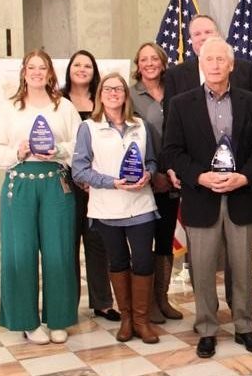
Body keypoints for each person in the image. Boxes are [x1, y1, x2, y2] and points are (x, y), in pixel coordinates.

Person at [163, 37, 252, 358]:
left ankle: (244, 326)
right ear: (200, 64)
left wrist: (244, 176)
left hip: (242, 196)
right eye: (208, 60)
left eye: (220, 60)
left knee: (241, 267)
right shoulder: (182, 103)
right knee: (204, 268)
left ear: (231, 65)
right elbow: (172, 151)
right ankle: (207, 328)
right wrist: (198, 176)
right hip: (201, 197)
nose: (214, 65)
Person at [0, 49, 81, 344]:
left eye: (43, 68)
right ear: (24, 73)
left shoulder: (63, 107)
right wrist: (17, 151)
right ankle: (26, 320)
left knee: (60, 250)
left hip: (55, 183)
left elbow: (80, 144)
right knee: (21, 252)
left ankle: (60, 318)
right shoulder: (9, 109)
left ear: (51, 73)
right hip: (20, 184)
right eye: (32, 68)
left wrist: (60, 150)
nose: (37, 72)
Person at [72, 72, 160, 344]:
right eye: (107, 89)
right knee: (119, 261)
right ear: (100, 95)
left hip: (141, 205)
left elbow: (152, 161)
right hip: (106, 209)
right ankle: (126, 319)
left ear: (126, 95)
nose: (113, 93)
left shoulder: (141, 126)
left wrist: (148, 174)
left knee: (144, 260)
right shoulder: (89, 128)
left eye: (118, 89)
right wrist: (112, 183)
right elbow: (79, 170)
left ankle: (142, 321)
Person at [62, 50, 120, 323]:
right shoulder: (57, 100)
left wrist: (94, 178)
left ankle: (102, 301)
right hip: (65, 183)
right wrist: (78, 175)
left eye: (87, 65)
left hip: (98, 182)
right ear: (69, 70)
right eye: (77, 65)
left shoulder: (101, 99)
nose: (82, 69)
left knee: (98, 242)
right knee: (68, 242)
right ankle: (68, 302)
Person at [129, 42, 184, 324]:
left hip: (172, 179)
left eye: (154, 58)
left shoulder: (175, 90)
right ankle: (145, 302)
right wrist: (153, 173)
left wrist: (172, 172)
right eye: (143, 59)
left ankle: (162, 298)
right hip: (142, 180)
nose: (149, 63)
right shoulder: (129, 95)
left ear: (163, 62)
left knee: (164, 239)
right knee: (143, 241)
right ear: (137, 65)